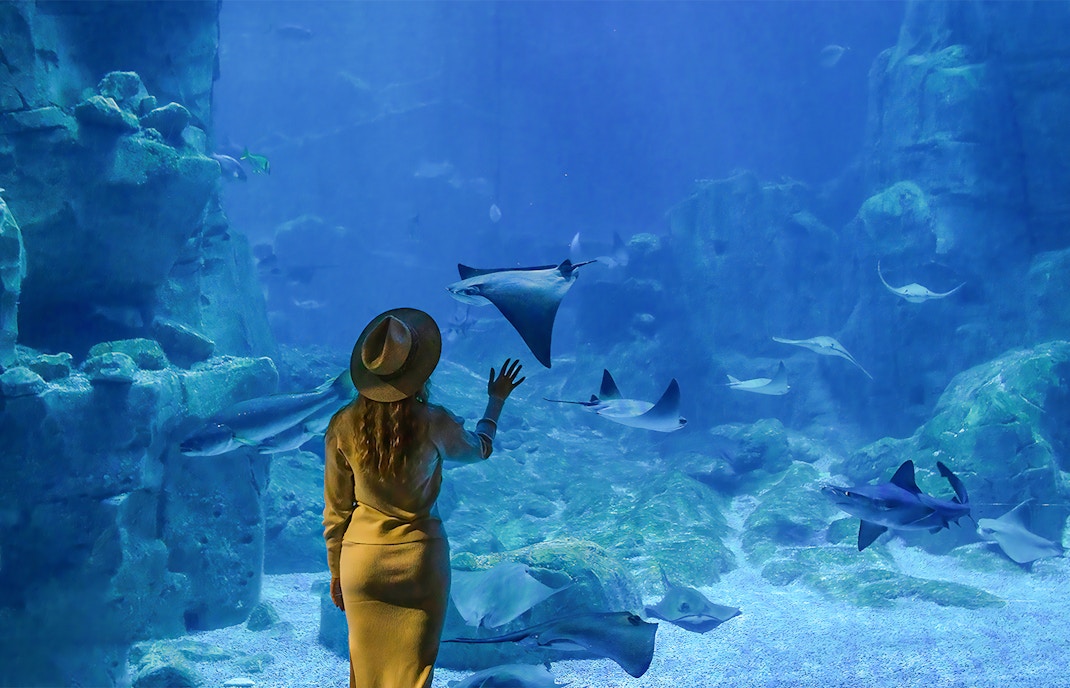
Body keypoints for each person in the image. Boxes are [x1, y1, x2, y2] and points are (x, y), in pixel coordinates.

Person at [323, 307, 525, 688]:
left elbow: (336, 512)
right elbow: (480, 448)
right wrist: (495, 401)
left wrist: (336, 572)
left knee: (365, 674)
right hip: (420, 563)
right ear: (419, 370)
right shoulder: (434, 421)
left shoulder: (342, 425)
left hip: (361, 564)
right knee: (413, 674)